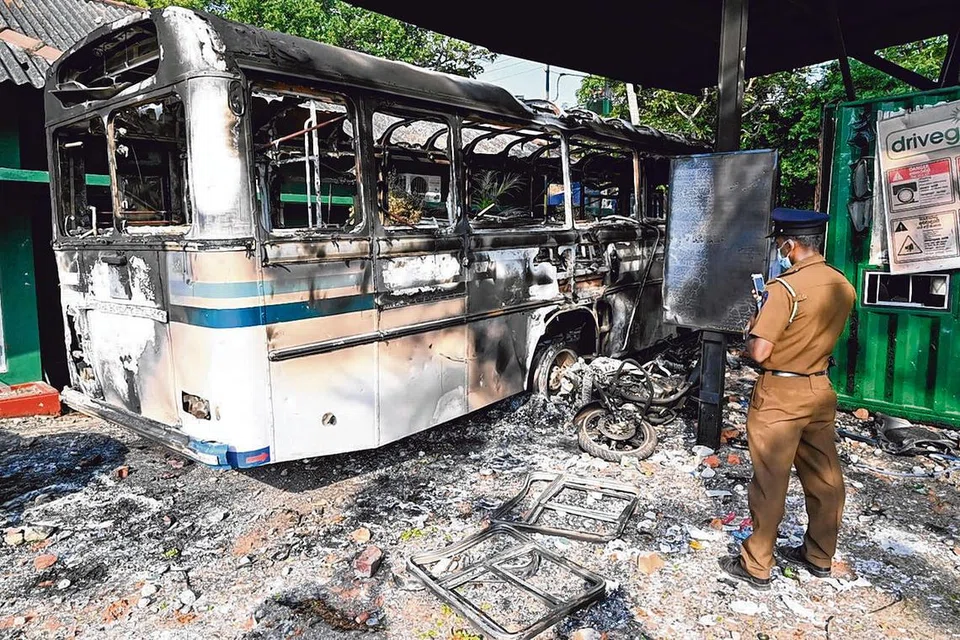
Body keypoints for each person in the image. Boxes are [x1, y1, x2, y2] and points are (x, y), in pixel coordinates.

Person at [719, 207, 857, 590]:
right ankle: (819, 556)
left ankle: (757, 564)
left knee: (770, 481)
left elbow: (760, 351)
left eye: (781, 243)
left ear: (790, 245)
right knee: (825, 477)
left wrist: (755, 322)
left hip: (780, 393)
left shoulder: (784, 289)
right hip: (819, 389)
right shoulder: (842, 284)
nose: (780, 250)